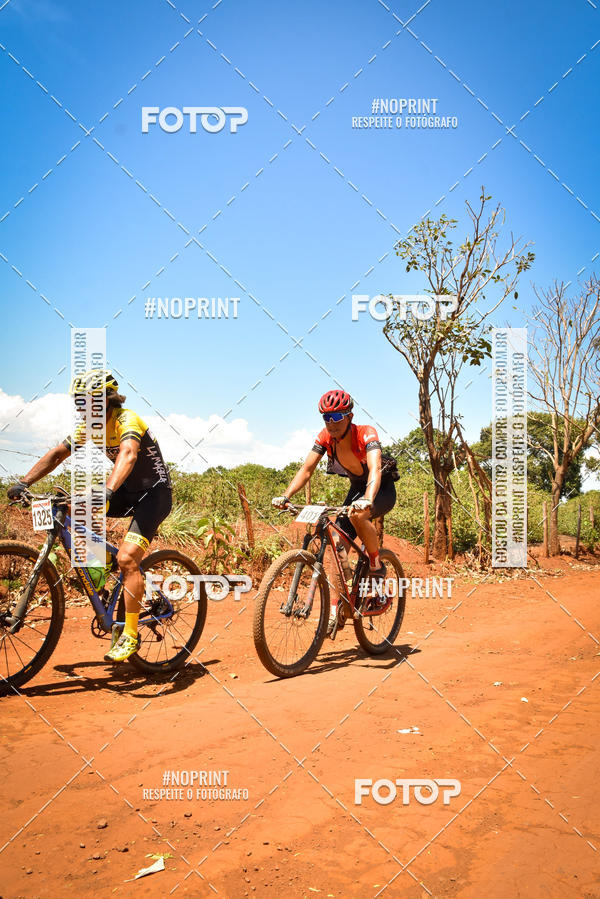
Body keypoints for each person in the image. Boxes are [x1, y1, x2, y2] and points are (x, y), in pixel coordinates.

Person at [6, 370, 172, 663]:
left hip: (153, 495)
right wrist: (25, 482)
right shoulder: (90, 426)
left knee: (127, 559)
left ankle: (130, 636)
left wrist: (107, 489)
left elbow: (129, 454)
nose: (83, 408)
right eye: (79, 402)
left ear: (107, 400)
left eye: (89, 402)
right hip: (122, 491)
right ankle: (101, 568)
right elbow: (58, 454)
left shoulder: (126, 420)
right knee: (69, 508)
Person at [272, 389, 397, 634]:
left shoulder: (366, 433)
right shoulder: (325, 437)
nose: (331, 424)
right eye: (326, 418)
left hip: (380, 488)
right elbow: (306, 469)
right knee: (336, 548)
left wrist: (368, 499)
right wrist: (286, 496)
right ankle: (338, 606)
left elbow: (374, 469)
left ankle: (375, 565)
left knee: (357, 514)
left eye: (337, 417)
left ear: (349, 416)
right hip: (356, 489)